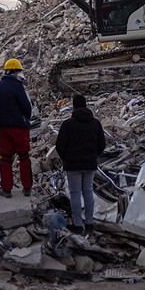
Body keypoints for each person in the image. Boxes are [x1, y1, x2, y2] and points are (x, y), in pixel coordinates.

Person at [56, 94, 106, 235]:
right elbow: (102, 145)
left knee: (75, 193)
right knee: (88, 192)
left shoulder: (67, 124)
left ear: (73, 106)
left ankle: (78, 225)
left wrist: (66, 158)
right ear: (86, 105)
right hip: (90, 164)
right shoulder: (95, 123)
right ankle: (89, 223)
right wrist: (93, 155)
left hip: (72, 165)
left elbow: (60, 146)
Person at [0, 58, 33, 198]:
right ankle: (27, 187)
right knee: (24, 156)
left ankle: (6, 189)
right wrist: (26, 117)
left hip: (3, 128)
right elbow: (27, 107)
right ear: (15, 72)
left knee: (6, 157)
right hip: (19, 127)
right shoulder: (17, 87)